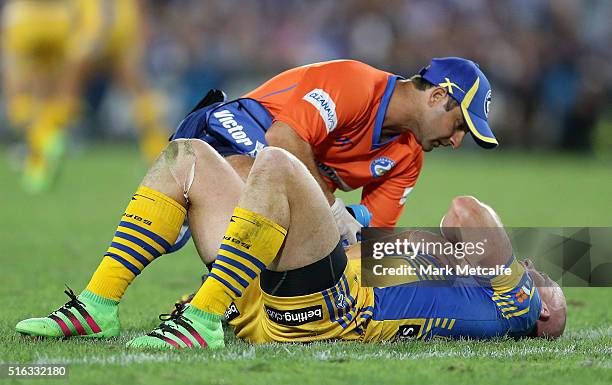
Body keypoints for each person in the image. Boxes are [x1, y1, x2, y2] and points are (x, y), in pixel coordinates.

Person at [16, 144, 565, 345]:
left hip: (331, 311)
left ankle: (202, 320)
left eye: (546, 281)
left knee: (277, 165)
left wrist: (526, 272)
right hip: (280, 295)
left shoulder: (514, 301)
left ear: (541, 308)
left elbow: (465, 212)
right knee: (188, 157)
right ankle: (99, 304)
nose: (536, 268)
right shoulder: (463, 284)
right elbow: (445, 234)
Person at [1, 0, 170, 193]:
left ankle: (45, 141)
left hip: (71, 11)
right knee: (135, 83)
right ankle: (158, 150)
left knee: (43, 86)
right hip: (119, 12)